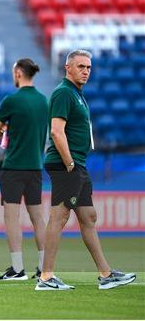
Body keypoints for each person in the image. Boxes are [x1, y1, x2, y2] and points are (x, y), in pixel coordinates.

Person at [36, 49, 136, 291]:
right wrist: (69, 163)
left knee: (88, 216)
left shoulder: (77, 94)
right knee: (59, 217)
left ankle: (106, 274)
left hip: (77, 164)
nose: (86, 71)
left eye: (89, 67)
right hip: (66, 164)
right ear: (67, 68)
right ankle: (46, 277)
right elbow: (56, 132)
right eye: (81, 66)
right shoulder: (63, 93)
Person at [0, 58, 48, 281]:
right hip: (35, 166)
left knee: (12, 218)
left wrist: (6, 126)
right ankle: (44, 268)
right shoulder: (44, 101)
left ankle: (17, 268)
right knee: (37, 218)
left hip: (14, 167)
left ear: (18, 74)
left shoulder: (11, 101)